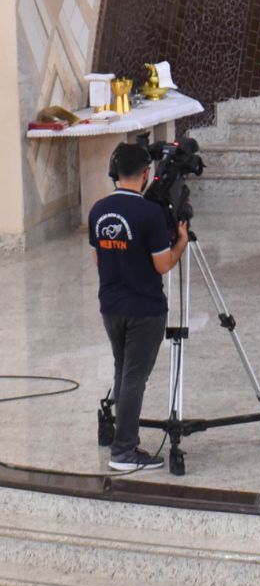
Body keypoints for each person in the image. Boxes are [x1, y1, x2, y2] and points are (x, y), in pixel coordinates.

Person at [89, 143, 188, 472]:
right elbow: (162, 265)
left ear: (114, 173)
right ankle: (124, 452)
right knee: (134, 377)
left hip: (111, 306)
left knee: (123, 371)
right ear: (147, 174)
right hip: (144, 309)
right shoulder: (150, 213)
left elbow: (97, 259)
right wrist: (181, 244)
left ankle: (123, 441)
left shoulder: (98, 210)